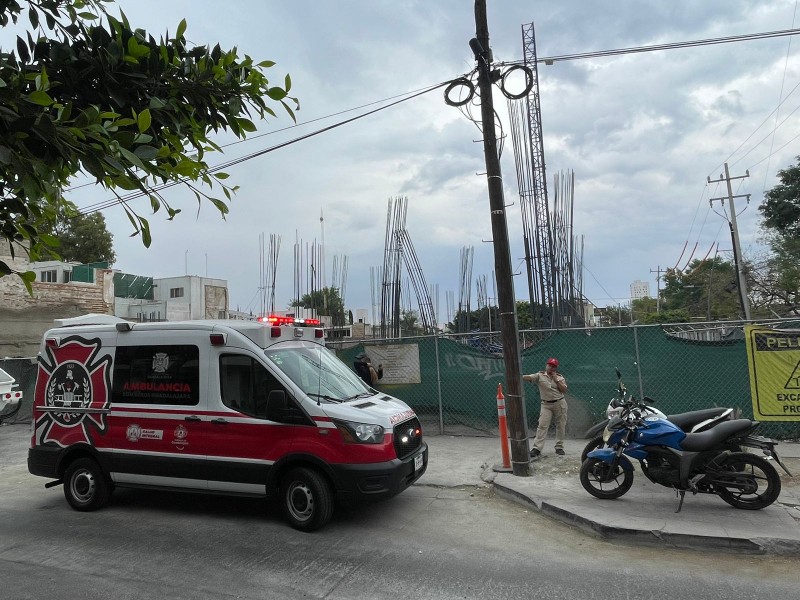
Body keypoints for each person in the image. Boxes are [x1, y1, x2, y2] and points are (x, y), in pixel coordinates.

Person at [523, 357, 568, 460]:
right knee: (542, 426)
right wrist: (519, 376)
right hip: (546, 405)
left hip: (559, 403)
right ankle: (537, 449)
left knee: (560, 426)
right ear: (546, 365)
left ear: (556, 368)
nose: (551, 367)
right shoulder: (540, 376)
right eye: (549, 365)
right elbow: (529, 377)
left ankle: (559, 447)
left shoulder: (560, 378)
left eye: (553, 366)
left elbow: (564, 390)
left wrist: (556, 380)